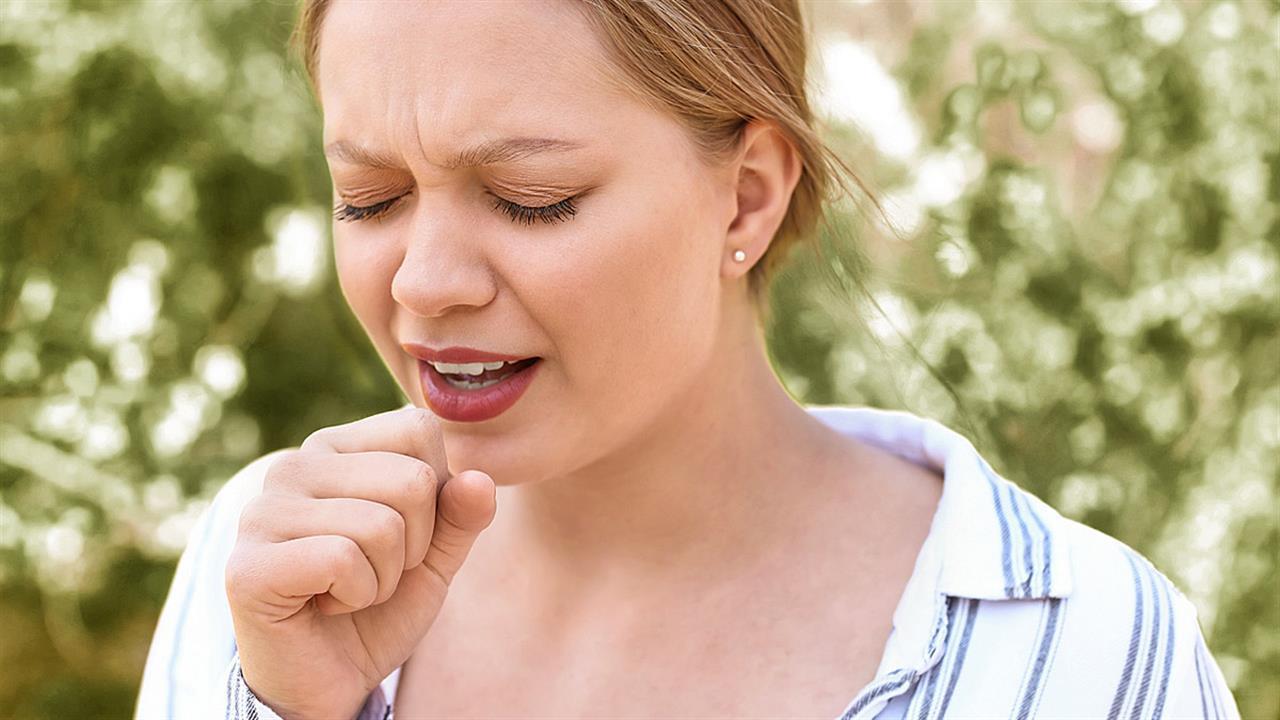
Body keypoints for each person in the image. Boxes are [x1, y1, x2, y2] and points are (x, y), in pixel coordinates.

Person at [135, 1, 1242, 718]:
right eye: (368, 198)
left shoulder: (1080, 650)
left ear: (746, 196)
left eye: (533, 200)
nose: (422, 282)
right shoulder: (268, 578)